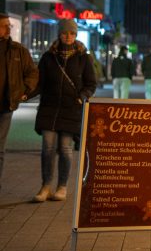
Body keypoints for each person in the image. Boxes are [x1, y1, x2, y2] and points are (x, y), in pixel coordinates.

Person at [33, 19, 96, 202]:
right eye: (65, 33)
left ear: (75, 35)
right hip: (49, 108)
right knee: (47, 148)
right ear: (59, 34)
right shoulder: (48, 57)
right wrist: (22, 94)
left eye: (71, 33)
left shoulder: (83, 57)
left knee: (65, 149)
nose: (68, 37)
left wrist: (81, 96)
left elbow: (91, 83)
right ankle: (45, 186)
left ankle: (62, 186)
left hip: (71, 109)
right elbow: (39, 83)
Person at [0, 13, 38, 192]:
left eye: (9, 25)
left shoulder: (17, 50)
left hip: (5, 106)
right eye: (4, 26)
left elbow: (32, 72)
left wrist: (25, 91)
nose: (8, 29)